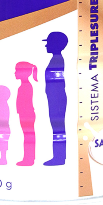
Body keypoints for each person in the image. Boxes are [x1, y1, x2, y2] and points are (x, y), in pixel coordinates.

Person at [42, 32, 68, 166]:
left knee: (58, 129)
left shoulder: (56, 60)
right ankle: (59, 157)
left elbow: (56, 85)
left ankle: (59, 157)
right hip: (55, 99)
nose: (46, 45)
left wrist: (54, 101)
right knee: (57, 128)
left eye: (48, 43)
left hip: (56, 100)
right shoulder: (56, 59)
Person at [15, 61, 38, 166]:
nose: (15, 73)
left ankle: (29, 159)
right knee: (28, 136)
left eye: (16, 71)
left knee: (28, 136)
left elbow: (25, 102)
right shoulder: (24, 86)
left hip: (26, 115)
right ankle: (29, 158)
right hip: (25, 114)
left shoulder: (26, 86)